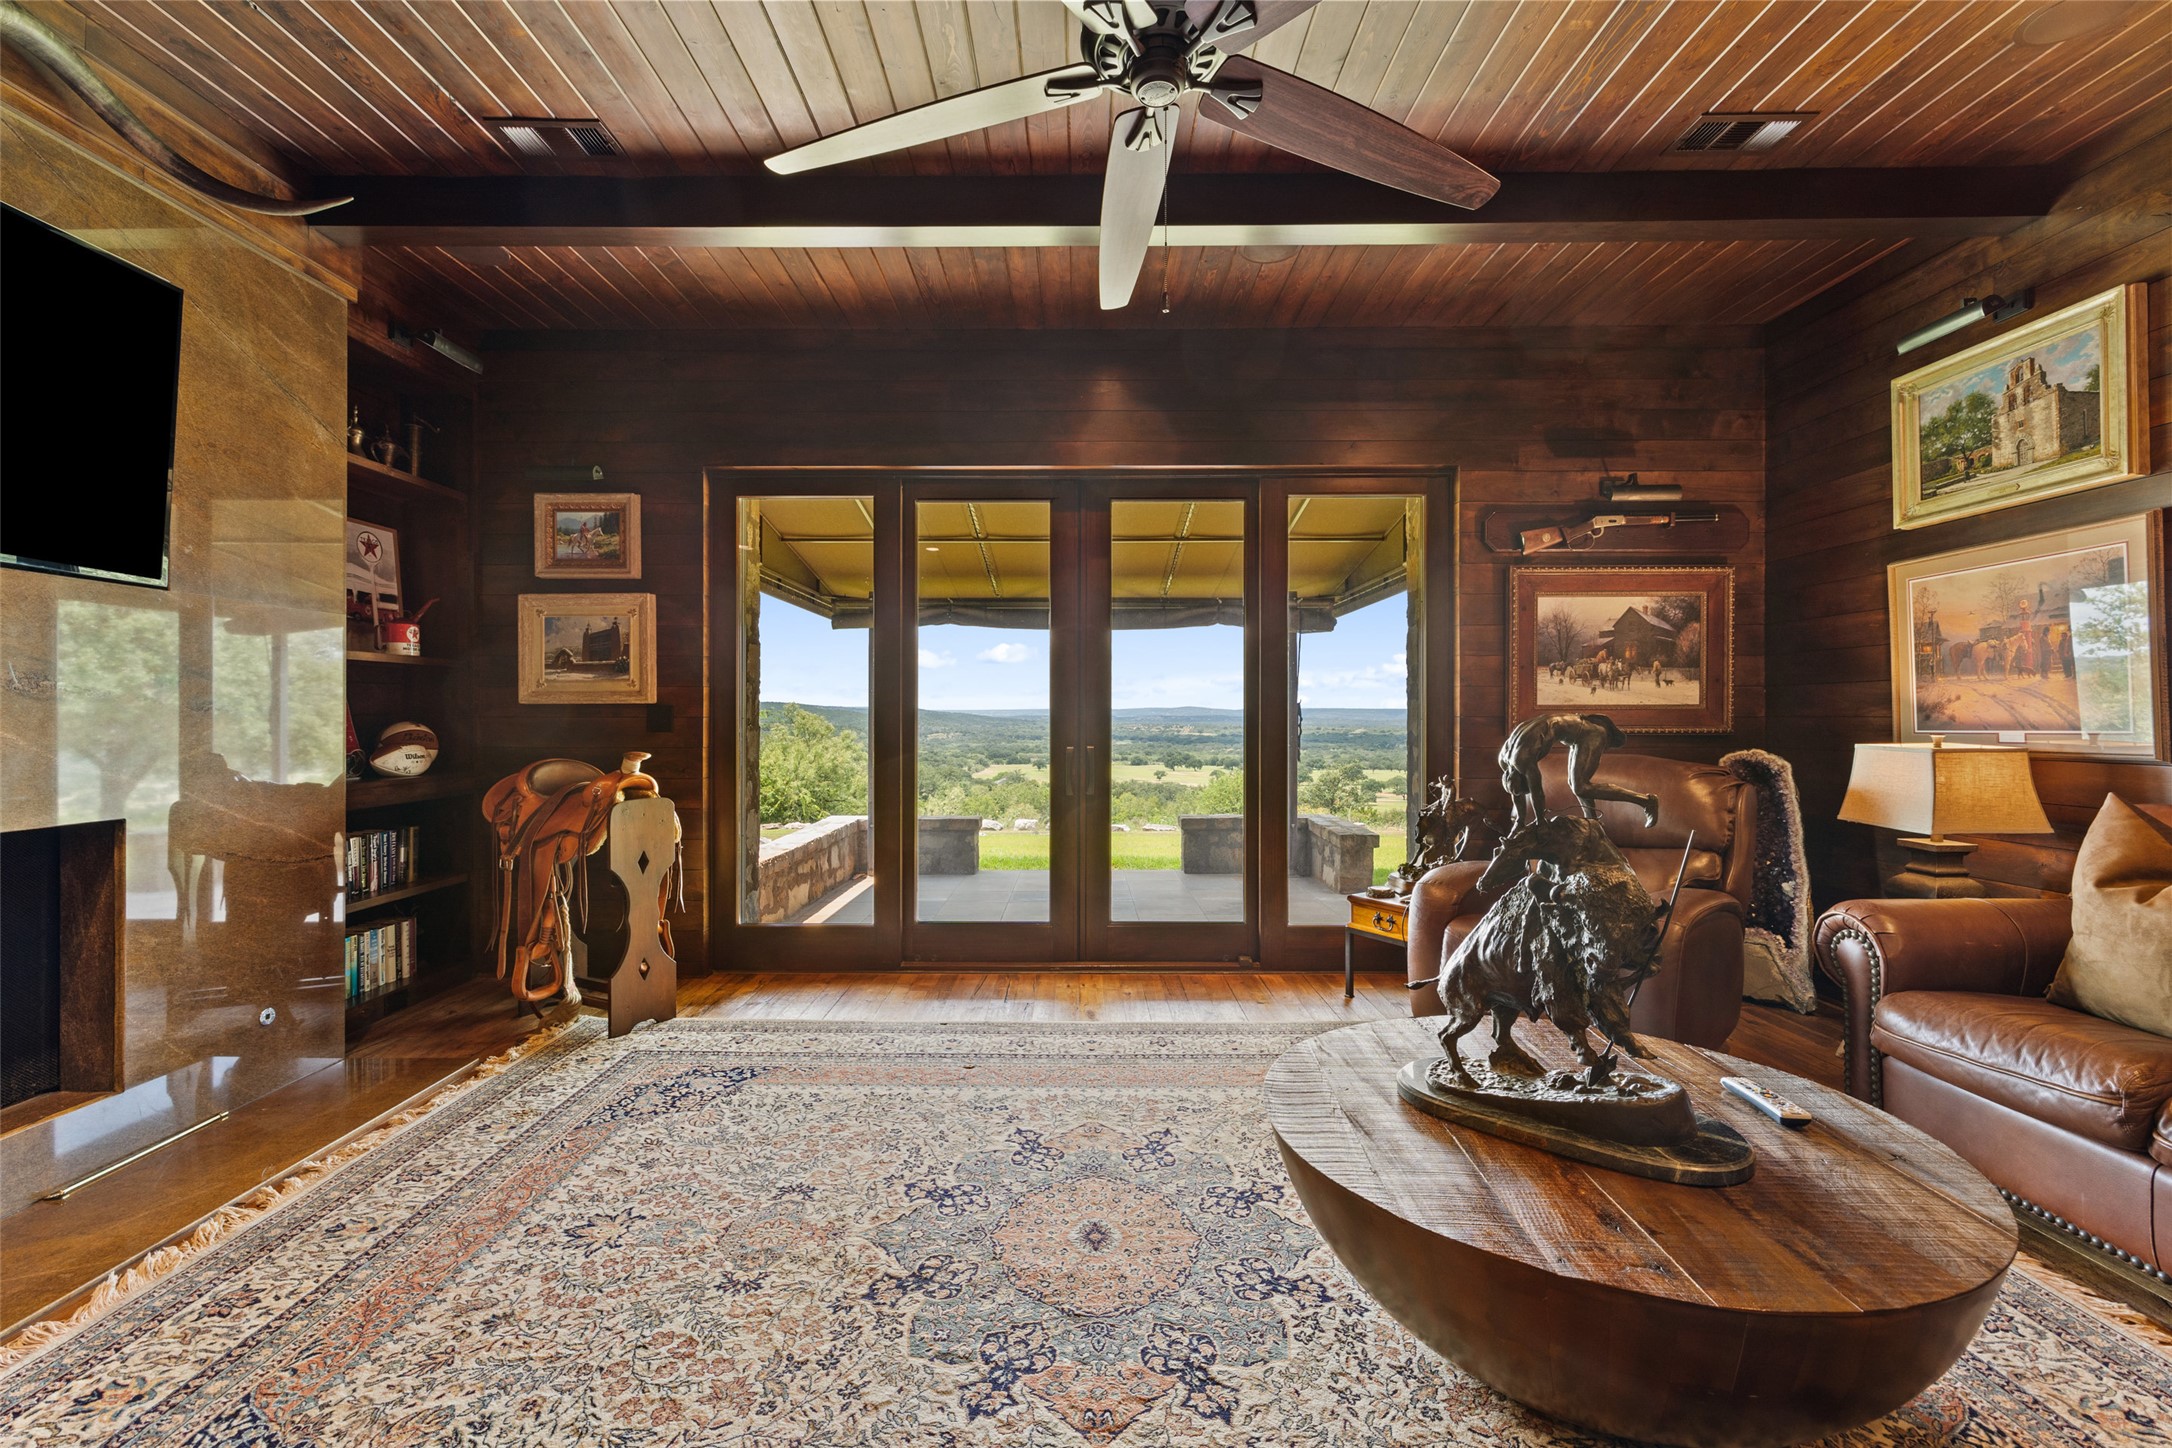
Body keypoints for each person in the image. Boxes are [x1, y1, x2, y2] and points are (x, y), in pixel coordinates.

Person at [1497, 712, 1659, 836]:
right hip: (1578, 733)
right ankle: (1593, 824)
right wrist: (1519, 821)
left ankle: (1646, 801)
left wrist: (1541, 823)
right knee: (1577, 785)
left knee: (1580, 787)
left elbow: (1537, 792)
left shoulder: (1521, 760)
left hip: (1592, 733)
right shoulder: (1505, 759)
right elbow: (1516, 792)